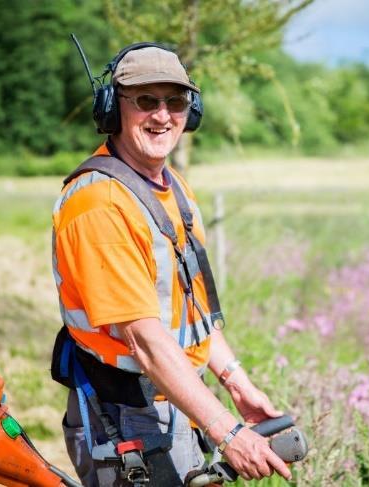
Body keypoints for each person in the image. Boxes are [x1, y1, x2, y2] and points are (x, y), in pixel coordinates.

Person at [51, 44, 292, 486]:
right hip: (126, 414)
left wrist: (235, 384)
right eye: (146, 100)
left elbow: (191, 311)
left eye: (176, 101)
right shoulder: (99, 204)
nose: (163, 116)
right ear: (112, 109)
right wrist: (229, 432)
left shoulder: (170, 186)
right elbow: (144, 340)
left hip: (180, 398)